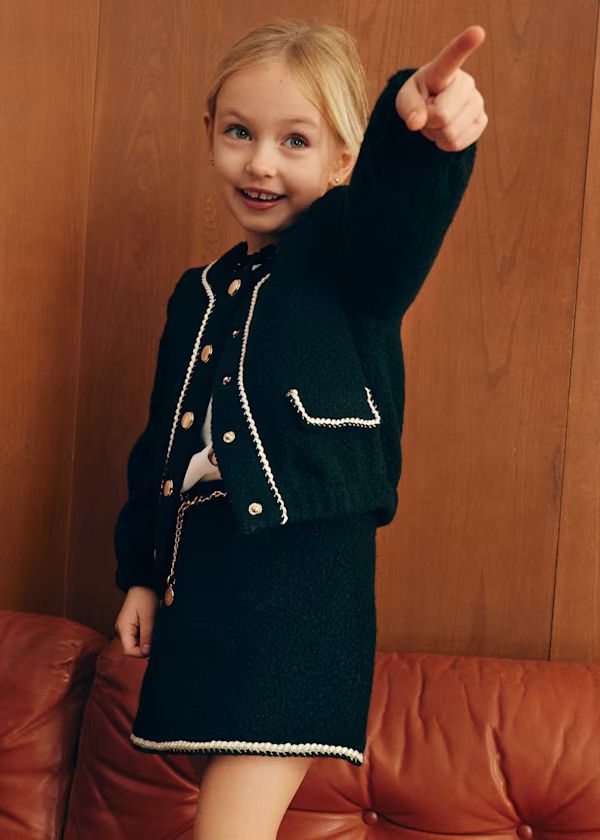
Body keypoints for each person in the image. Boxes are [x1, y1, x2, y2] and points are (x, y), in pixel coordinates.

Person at [113, 16, 487, 840]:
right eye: (239, 132)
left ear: (344, 160)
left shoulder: (347, 261)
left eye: (295, 141)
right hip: (200, 577)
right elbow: (162, 443)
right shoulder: (196, 293)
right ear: (208, 132)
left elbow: (394, 221)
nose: (261, 163)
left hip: (299, 587)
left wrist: (419, 138)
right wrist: (140, 572)